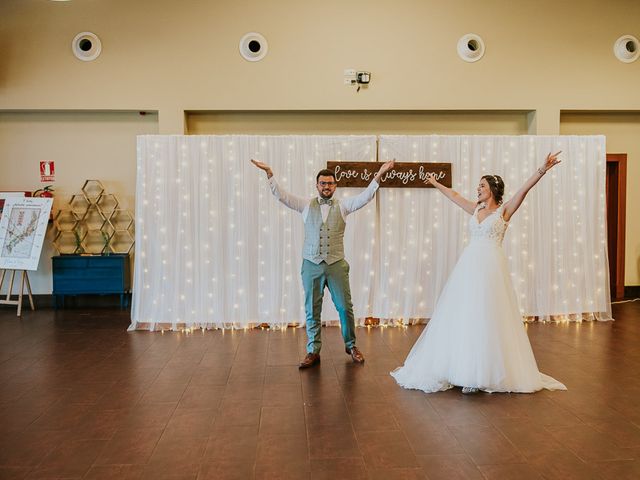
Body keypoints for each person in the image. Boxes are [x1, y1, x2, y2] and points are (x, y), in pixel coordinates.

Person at [391, 152, 567, 393]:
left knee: (487, 315)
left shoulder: (503, 211)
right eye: (478, 186)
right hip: (469, 267)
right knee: (466, 314)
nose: (478, 189)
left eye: (482, 185)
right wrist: (435, 183)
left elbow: (523, 191)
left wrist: (542, 169)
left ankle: (481, 373)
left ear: (493, 189)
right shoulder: (475, 209)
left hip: (491, 268)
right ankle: (462, 368)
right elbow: (454, 196)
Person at [251, 158, 396, 368]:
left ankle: (351, 345)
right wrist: (270, 173)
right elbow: (281, 196)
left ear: (335, 186)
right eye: (323, 183)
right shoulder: (305, 206)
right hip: (311, 264)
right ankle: (313, 350)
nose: (326, 186)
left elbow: (365, 197)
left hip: (336, 264)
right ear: (317, 185)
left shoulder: (344, 206)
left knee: (345, 308)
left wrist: (380, 173)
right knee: (312, 309)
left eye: (330, 183)